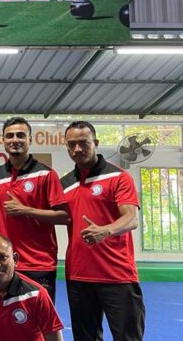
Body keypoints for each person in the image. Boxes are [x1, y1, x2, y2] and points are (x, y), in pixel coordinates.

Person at [60, 121, 145, 341]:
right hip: (78, 276)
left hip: (117, 275)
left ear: (96, 143)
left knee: (128, 337)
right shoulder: (65, 183)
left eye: (83, 143)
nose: (77, 149)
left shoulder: (119, 177)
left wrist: (105, 231)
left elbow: (131, 218)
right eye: (71, 144)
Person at [0, 117, 69, 301]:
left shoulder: (46, 174)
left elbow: (64, 216)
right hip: (5, 263)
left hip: (39, 264)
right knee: (7, 316)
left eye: (20, 135)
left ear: (30, 140)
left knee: (40, 317)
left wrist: (25, 210)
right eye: (10, 136)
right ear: (3, 141)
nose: (15, 140)